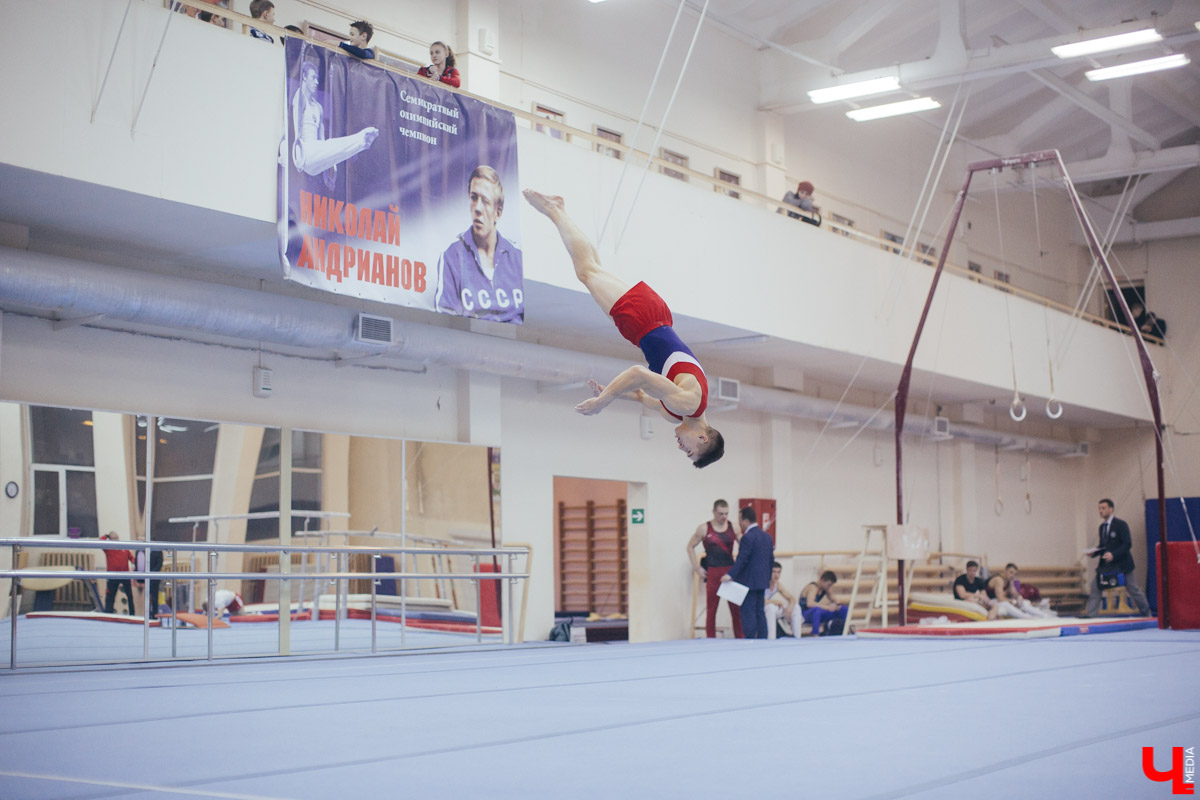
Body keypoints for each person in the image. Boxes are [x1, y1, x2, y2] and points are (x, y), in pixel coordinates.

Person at [523, 190, 725, 468]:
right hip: (646, 320)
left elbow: (642, 394)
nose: (681, 448)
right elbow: (638, 373)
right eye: (689, 451)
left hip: (647, 325)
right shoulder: (688, 403)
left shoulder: (676, 413)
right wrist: (604, 401)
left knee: (593, 269)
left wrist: (614, 391)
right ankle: (555, 209)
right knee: (586, 272)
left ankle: (559, 211)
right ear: (703, 438)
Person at [436, 167, 525, 323]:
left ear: (498, 213)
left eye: (485, 201)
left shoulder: (517, 258)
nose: (477, 208)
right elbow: (445, 318)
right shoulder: (452, 256)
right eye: (473, 197)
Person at [291, 61, 379, 189]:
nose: (316, 82)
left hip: (315, 158)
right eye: (313, 78)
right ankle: (361, 139)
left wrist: (327, 171)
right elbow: (295, 126)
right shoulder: (300, 97)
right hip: (304, 152)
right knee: (331, 145)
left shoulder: (318, 108)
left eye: (317, 78)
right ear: (304, 77)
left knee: (332, 146)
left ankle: (361, 144)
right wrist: (296, 151)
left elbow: (323, 144)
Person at [686, 499, 743, 639]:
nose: (724, 517)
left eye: (726, 514)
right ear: (713, 512)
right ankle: (710, 640)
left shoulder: (734, 527)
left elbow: (745, 547)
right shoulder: (704, 528)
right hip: (713, 572)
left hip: (730, 572)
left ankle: (740, 639)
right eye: (720, 514)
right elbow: (690, 547)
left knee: (736, 610)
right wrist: (697, 567)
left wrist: (739, 566)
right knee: (711, 610)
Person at [1085, 498, 1151, 617]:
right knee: (1095, 586)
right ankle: (1091, 615)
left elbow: (1127, 543)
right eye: (1099, 509)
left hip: (1122, 564)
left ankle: (1147, 613)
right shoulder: (1102, 527)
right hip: (1107, 565)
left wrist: (1113, 554)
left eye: (1103, 508)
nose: (1101, 511)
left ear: (1111, 509)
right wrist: (1094, 553)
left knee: (1132, 589)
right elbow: (1103, 546)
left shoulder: (1121, 524)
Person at [721, 507, 774, 639]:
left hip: (748, 581)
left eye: (740, 520)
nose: (739, 524)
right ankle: (763, 638)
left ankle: (750, 638)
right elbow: (771, 560)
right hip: (762, 580)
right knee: (760, 611)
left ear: (745, 521)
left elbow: (742, 559)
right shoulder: (767, 536)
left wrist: (730, 574)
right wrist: (768, 578)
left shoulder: (747, 538)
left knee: (748, 612)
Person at [987, 563, 1054, 619]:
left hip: (1002, 600)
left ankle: (1044, 616)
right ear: (1005, 571)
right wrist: (1012, 601)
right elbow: (1000, 599)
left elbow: (1015, 595)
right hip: (991, 601)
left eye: (1015, 574)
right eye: (1011, 572)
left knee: (1023, 602)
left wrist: (1012, 586)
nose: (1012, 575)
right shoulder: (999, 580)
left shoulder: (1011, 580)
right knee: (1006, 604)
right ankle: (1026, 617)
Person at [799, 570, 847, 636]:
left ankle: (842, 631)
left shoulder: (825, 588)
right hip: (804, 614)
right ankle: (815, 634)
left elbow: (834, 599)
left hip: (815, 613)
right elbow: (809, 604)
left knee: (843, 609)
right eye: (829, 585)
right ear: (822, 580)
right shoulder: (813, 587)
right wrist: (827, 607)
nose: (829, 587)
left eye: (831, 585)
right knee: (817, 610)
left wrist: (837, 605)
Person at [764, 561, 801, 640]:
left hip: (772, 608)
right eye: (773, 572)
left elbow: (791, 598)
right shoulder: (763, 583)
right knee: (771, 607)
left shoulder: (778, 584)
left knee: (796, 607)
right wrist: (775, 602)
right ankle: (771, 638)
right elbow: (760, 601)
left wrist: (790, 607)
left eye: (778, 572)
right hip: (763, 609)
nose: (776, 575)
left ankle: (797, 637)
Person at [100, 533, 134, 615]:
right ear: (110, 539)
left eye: (117, 537)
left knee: (130, 596)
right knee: (110, 596)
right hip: (112, 576)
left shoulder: (124, 547)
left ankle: (132, 614)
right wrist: (106, 535)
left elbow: (132, 558)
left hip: (125, 575)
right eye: (114, 538)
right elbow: (100, 541)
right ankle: (108, 614)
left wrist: (135, 564)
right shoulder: (108, 548)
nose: (116, 539)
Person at [133, 545, 164, 621]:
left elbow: (159, 563)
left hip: (154, 577)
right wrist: (137, 578)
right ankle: (145, 613)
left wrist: (152, 573)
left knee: (154, 597)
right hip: (143, 577)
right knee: (145, 596)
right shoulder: (140, 551)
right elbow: (138, 564)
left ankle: (154, 614)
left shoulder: (158, 551)